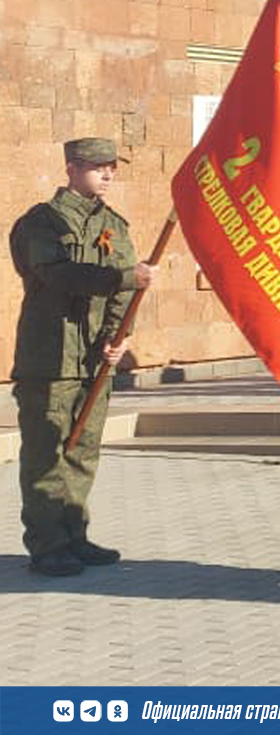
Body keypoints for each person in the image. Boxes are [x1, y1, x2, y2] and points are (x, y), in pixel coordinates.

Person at [10, 138, 155, 576]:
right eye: (97, 167)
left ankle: (75, 535)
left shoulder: (113, 224)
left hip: (94, 359)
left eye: (112, 167)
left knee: (83, 451)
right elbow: (60, 275)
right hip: (49, 358)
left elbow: (125, 293)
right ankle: (48, 544)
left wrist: (118, 337)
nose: (107, 174)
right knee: (45, 453)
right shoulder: (42, 224)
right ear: (71, 169)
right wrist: (126, 276)